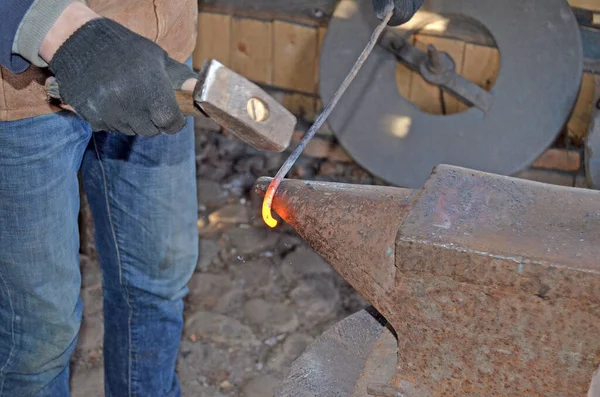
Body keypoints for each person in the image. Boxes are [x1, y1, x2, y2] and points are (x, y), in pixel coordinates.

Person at [0, 0, 423, 395]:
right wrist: (47, 22)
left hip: (156, 54)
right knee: (40, 335)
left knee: (158, 281)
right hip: (18, 89)